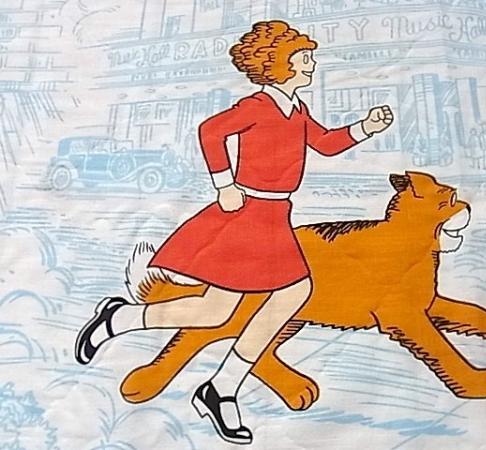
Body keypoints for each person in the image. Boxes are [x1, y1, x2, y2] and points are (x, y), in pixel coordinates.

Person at [74, 20, 393, 445]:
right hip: (248, 213)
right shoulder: (258, 106)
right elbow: (210, 131)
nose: (312, 64)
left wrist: (365, 127)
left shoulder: (296, 109)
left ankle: (129, 325)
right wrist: (224, 184)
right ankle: (215, 384)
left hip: (276, 215)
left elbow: (325, 143)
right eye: (304, 58)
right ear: (280, 64)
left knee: (221, 309)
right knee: (274, 296)